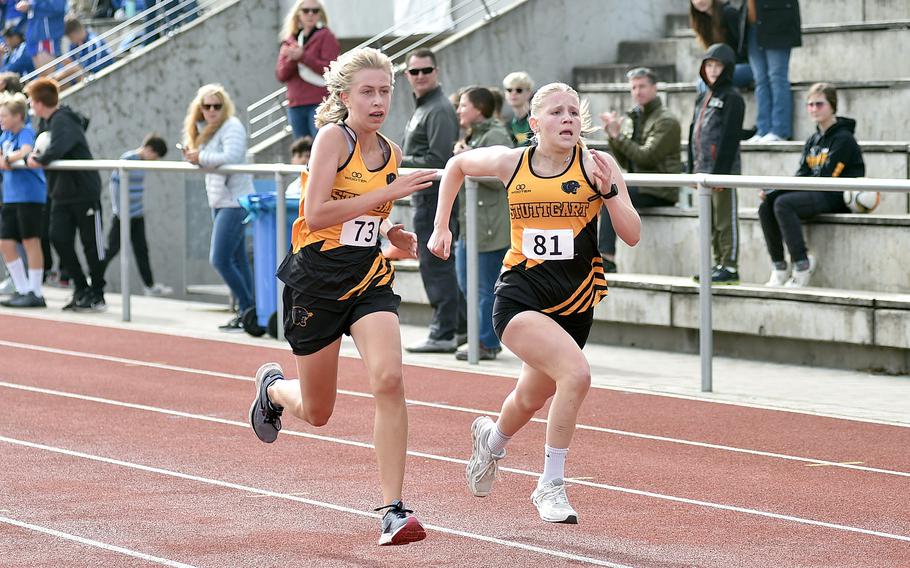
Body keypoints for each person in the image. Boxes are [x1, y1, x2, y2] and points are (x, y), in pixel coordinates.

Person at [247, 47, 436, 546]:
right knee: (318, 410)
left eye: (385, 91)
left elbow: (371, 218)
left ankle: (393, 510)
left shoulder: (390, 152)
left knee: (390, 380)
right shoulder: (333, 138)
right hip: (317, 281)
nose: (378, 101)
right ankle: (272, 391)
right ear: (343, 96)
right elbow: (316, 214)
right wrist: (387, 198)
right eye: (368, 92)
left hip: (368, 277)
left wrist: (393, 234)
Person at [428, 83, 641, 524]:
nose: (568, 120)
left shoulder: (598, 165)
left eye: (574, 113)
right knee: (576, 375)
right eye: (557, 112)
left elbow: (632, 233)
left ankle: (491, 442)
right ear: (535, 122)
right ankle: (551, 485)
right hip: (520, 293)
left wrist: (610, 194)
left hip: (576, 300)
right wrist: (441, 226)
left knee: (529, 398)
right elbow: (455, 165)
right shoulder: (513, 162)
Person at [758, 83, 864, 288]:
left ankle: (802, 263)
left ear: (832, 106)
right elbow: (802, 174)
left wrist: (777, 192)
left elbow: (825, 178)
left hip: (834, 194)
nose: (814, 109)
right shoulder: (813, 140)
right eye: (810, 105)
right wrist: (772, 192)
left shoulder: (844, 139)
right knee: (766, 205)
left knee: (783, 203)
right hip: (814, 191)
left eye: (819, 104)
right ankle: (779, 266)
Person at [400, 47, 464, 353]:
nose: (421, 76)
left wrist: (397, 161)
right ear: (407, 75)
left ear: (436, 72)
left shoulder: (437, 108)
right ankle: (459, 327)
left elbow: (439, 160)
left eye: (426, 70)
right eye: (415, 71)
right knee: (437, 264)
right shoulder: (425, 107)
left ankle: (444, 331)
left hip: (434, 198)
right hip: (425, 197)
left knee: (435, 265)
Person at [25, 77, 106, 311]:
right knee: (58, 238)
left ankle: (97, 292)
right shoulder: (46, 123)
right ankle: (81, 287)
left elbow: (58, 147)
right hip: (60, 193)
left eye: (32, 100)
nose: (31, 105)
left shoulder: (64, 119)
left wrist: (38, 160)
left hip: (84, 193)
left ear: (40, 102)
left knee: (92, 244)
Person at [181, 84, 255, 331]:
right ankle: (249, 313)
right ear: (200, 108)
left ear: (224, 107)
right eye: (207, 106)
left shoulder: (231, 125)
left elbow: (231, 157)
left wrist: (199, 158)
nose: (212, 110)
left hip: (235, 201)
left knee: (220, 259)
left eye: (216, 106)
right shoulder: (206, 129)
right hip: (221, 200)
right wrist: (195, 157)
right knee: (237, 258)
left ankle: (248, 309)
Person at [451, 86, 513, 361]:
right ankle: (481, 337)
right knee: (468, 284)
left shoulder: (496, 135)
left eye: (463, 105)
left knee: (485, 286)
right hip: (470, 225)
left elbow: (500, 178)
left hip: (489, 226)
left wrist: (464, 159)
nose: (459, 111)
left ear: (478, 108)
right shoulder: (474, 136)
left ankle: (487, 342)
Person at [599, 67, 680, 272]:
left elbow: (646, 157)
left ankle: (606, 257)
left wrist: (619, 138)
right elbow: (626, 163)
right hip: (640, 185)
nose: (637, 91)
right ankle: (595, 255)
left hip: (660, 188)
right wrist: (613, 137)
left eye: (642, 86)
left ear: (654, 88)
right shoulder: (633, 117)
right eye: (633, 87)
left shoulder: (666, 120)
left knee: (611, 197)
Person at [687, 44, 745, 285]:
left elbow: (730, 137)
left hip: (721, 172)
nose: (712, 70)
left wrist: (721, 173)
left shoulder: (733, 97)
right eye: (708, 65)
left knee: (724, 219)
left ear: (727, 68)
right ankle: (717, 263)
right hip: (702, 172)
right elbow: (693, 132)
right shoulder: (703, 96)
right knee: (710, 221)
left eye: (717, 65)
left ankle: (729, 266)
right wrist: (691, 168)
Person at [101, 133, 173, 296]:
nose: (154, 161)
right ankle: (94, 277)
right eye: (154, 156)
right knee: (112, 248)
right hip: (122, 215)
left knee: (142, 250)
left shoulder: (142, 163)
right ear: (149, 149)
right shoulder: (128, 159)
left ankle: (149, 285)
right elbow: (115, 186)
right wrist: (120, 212)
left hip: (137, 214)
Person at [0, 92, 46, 307]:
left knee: (30, 241)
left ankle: (35, 292)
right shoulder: (4, 136)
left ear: (18, 116)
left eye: (5, 115)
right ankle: (22, 288)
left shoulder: (26, 132)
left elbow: (26, 151)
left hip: (29, 195)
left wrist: (9, 158)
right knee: (6, 243)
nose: (1, 120)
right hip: (10, 196)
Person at [276, 0, 339, 141]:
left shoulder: (326, 36)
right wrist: (293, 58)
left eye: (315, 11)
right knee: (303, 152)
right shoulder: (290, 41)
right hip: (296, 104)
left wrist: (303, 57)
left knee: (321, 147)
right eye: (305, 10)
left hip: (319, 102)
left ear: (320, 14)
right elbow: (281, 74)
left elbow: (330, 69)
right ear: (298, 14)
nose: (310, 14)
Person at [745, 0, 801, 142]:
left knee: (777, 76)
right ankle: (763, 128)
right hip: (751, 21)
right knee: (760, 79)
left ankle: (780, 129)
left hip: (777, 18)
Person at [689, 0, 752, 93]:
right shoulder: (702, 21)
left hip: (746, 65)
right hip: (723, 67)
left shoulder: (729, 13)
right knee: (701, 83)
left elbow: (745, 45)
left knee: (714, 80)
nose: (700, 1)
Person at [54, 17, 112, 83]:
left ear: (74, 33)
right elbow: (70, 62)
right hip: (85, 77)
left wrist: (75, 67)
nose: (70, 40)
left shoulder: (94, 42)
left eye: (70, 37)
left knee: (72, 69)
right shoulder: (75, 45)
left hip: (101, 78)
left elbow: (95, 69)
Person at [18, 0, 66, 69]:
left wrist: (31, 5)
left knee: (48, 76)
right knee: (42, 76)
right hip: (34, 38)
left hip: (46, 38)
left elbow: (58, 7)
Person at [501, 71, 534, 146]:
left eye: (519, 90)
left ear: (529, 93)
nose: (513, 93)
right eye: (509, 90)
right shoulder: (509, 123)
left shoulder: (535, 118)